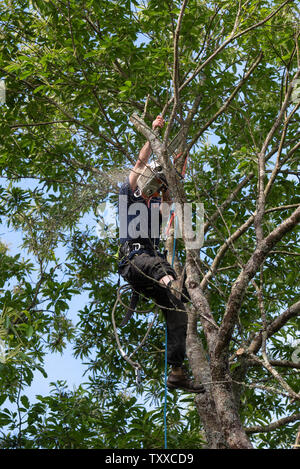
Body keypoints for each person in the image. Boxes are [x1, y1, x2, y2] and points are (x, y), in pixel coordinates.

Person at [118, 115, 204, 393]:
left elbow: (170, 204)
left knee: (178, 310)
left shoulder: (156, 204)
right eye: (152, 184)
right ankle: (174, 284)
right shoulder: (128, 194)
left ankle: (177, 371)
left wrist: (175, 173)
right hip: (135, 260)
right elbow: (140, 164)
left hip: (149, 267)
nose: (152, 189)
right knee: (162, 269)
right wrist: (151, 134)